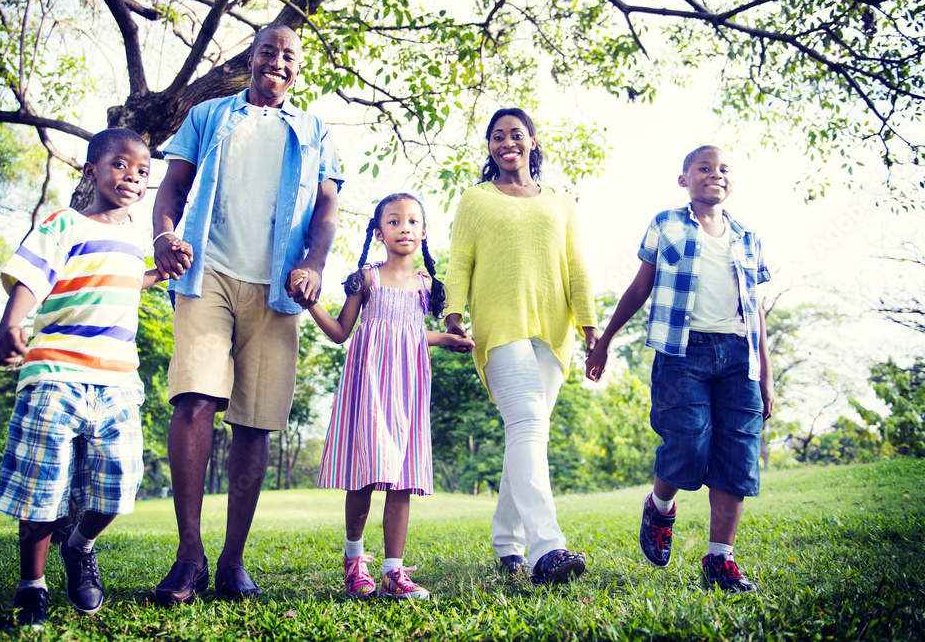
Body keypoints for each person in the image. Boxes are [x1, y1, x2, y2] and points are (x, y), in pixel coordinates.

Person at [151, 24, 343, 605]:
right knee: (194, 400)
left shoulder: (315, 131)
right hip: (204, 271)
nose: (277, 62)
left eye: (289, 56)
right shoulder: (208, 116)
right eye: (268, 52)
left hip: (279, 288)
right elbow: (172, 188)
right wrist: (163, 236)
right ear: (251, 59)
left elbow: (327, 210)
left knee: (256, 423)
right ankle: (189, 557)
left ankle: (232, 561)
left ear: (298, 68)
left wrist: (312, 263)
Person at [0, 128, 190, 629]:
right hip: (55, 375)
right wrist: (11, 324)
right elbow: (34, 275)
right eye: (120, 165)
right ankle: (31, 586)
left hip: (118, 382)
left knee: (119, 484)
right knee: (42, 489)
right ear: (92, 171)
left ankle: (79, 547)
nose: (132, 177)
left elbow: (120, 276)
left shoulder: (133, 239)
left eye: (143, 171)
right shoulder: (63, 224)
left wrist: (156, 274)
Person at [586, 145, 774, 594]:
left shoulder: (747, 236)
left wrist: (766, 374)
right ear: (684, 179)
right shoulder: (666, 223)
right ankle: (660, 506)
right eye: (704, 168)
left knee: (737, 459)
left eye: (724, 168)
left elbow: (757, 311)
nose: (715, 174)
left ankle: (719, 559)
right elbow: (640, 287)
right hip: (681, 353)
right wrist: (606, 339)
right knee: (688, 442)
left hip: (738, 357)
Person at [443, 108, 599, 586]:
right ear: (489, 147)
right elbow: (460, 260)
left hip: (555, 332)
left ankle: (506, 544)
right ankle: (548, 549)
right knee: (530, 426)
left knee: (526, 433)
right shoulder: (475, 199)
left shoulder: (560, 201)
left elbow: (576, 267)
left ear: (533, 140)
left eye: (515, 134)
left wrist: (591, 328)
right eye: (496, 136)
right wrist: (452, 314)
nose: (506, 142)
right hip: (500, 327)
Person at [306, 193, 474, 601]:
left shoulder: (428, 286)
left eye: (413, 221)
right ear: (379, 232)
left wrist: (445, 339)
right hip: (369, 387)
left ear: (424, 232)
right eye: (395, 221)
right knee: (365, 473)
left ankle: (393, 573)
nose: (405, 228)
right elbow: (342, 332)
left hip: (409, 387)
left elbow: (410, 333)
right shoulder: (367, 278)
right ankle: (354, 561)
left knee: (401, 478)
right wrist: (310, 305)